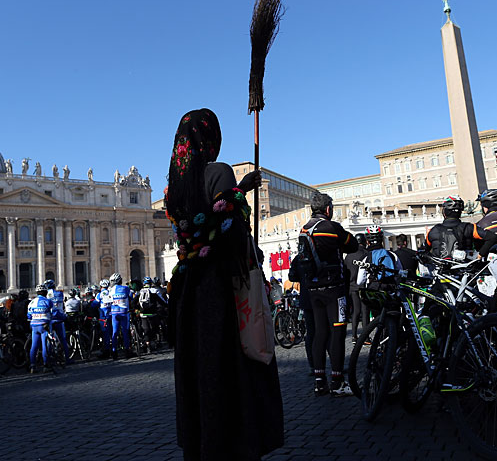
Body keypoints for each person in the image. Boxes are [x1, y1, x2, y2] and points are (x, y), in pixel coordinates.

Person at [166, 108, 283, 460]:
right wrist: (239, 196)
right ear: (210, 138)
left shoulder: (174, 187)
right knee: (230, 374)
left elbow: (206, 220)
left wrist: (238, 191)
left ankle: (202, 446)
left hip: (189, 293)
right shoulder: (218, 171)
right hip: (221, 291)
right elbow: (230, 231)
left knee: (199, 377)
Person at [300, 192, 358, 397]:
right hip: (334, 289)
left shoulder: (305, 229)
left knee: (319, 333)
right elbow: (353, 245)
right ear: (328, 209)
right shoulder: (331, 228)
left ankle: (319, 382)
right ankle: (337, 381)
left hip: (313, 289)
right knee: (338, 332)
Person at [426, 196, 497, 260]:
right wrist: (480, 255)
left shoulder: (433, 230)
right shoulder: (469, 227)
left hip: (440, 272)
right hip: (464, 271)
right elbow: (492, 237)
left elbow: (423, 251)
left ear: (444, 212)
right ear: (460, 213)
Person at [357, 226, 403, 293]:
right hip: (390, 289)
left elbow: (360, 281)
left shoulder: (366, 257)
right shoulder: (392, 255)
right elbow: (400, 272)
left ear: (367, 241)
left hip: (373, 290)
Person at [343, 233, 369, 345]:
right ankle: (365, 337)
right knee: (365, 312)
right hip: (363, 287)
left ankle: (354, 336)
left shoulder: (348, 256)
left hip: (352, 287)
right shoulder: (366, 254)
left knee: (355, 312)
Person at [26, 284, 53, 374]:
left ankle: (33, 366)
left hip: (34, 325)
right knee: (45, 346)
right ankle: (46, 365)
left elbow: (29, 315)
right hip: (44, 325)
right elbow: (53, 312)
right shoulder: (48, 301)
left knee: (34, 346)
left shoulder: (32, 302)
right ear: (45, 292)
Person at [137, 277, 167, 353]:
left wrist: (138, 309)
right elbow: (161, 301)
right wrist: (166, 306)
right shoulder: (154, 291)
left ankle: (147, 343)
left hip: (143, 314)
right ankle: (154, 341)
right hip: (153, 313)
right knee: (154, 328)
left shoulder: (140, 291)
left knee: (145, 329)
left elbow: (134, 302)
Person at [108, 273, 132, 360]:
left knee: (115, 332)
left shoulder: (110, 290)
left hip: (114, 313)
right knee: (125, 331)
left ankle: (114, 352)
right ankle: (127, 351)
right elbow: (131, 298)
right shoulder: (125, 288)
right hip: (123, 312)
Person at [45, 280, 70, 362]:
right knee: (62, 339)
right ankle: (67, 358)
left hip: (50, 319)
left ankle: (49, 359)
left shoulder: (45, 296)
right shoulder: (59, 294)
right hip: (59, 318)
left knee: (49, 339)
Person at [90, 279, 112, 358]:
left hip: (104, 317)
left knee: (105, 334)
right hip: (112, 315)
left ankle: (106, 351)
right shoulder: (111, 292)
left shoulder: (100, 294)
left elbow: (94, 305)